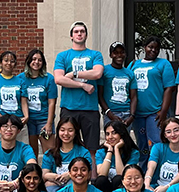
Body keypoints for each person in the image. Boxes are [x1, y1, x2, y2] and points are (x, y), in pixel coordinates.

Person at [54, 21, 105, 160]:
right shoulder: (63, 56)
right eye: (76, 32)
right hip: (69, 108)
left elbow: (97, 74)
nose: (79, 34)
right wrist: (83, 85)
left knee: (92, 149)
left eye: (82, 31)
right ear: (71, 36)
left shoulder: (95, 55)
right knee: (67, 145)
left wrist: (74, 74)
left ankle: (92, 179)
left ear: (86, 35)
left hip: (90, 108)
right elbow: (58, 79)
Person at [130, 36, 176, 165]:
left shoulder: (163, 64)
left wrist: (163, 111)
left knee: (156, 144)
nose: (153, 50)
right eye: (150, 47)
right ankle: (144, 174)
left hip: (155, 113)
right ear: (144, 47)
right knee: (142, 146)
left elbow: (169, 88)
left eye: (156, 48)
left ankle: (157, 175)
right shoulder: (134, 64)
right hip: (137, 114)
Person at [20, 48, 57, 158]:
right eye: (34, 59)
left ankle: (48, 174)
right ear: (28, 61)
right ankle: (34, 174)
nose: (36, 62)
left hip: (44, 120)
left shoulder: (49, 79)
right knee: (31, 152)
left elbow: (52, 103)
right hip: (28, 121)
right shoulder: (21, 78)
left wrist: (49, 123)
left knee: (49, 152)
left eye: (40, 60)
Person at [145, 117, 179, 192]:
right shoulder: (158, 148)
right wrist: (147, 184)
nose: (173, 134)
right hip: (156, 187)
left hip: (177, 190)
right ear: (165, 135)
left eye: (176, 130)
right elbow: (151, 167)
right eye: (168, 132)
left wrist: (167, 187)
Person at [41, 117, 92, 192]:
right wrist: (55, 176)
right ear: (58, 131)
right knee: (48, 184)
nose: (66, 134)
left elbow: (88, 174)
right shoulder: (50, 153)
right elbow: (44, 174)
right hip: (56, 184)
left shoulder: (83, 152)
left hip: (76, 184)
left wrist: (70, 175)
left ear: (75, 133)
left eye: (70, 130)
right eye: (62, 130)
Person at [0, 51, 26, 147]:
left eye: (12, 61)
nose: (9, 63)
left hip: (17, 120)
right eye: (6, 60)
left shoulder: (20, 81)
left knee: (20, 150)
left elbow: (24, 102)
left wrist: (26, 116)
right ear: (1, 63)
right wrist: (1, 118)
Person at [95, 120, 141, 192]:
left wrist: (116, 149)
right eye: (107, 134)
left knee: (118, 179)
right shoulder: (101, 152)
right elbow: (102, 174)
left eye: (114, 133)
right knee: (100, 180)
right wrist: (110, 150)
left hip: (122, 190)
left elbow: (123, 175)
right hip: (105, 190)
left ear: (121, 134)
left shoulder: (133, 153)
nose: (110, 137)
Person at [98, 42, 136, 128]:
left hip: (127, 113)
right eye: (115, 53)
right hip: (110, 113)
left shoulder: (130, 73)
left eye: (122, 52)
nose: (119, 55)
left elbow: (134, 97)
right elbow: (99, 95)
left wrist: (132, 116)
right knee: (112, 139)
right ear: (111, 55)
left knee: (125, 140)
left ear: (125, 54)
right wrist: (109, 113)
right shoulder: (104, 71)